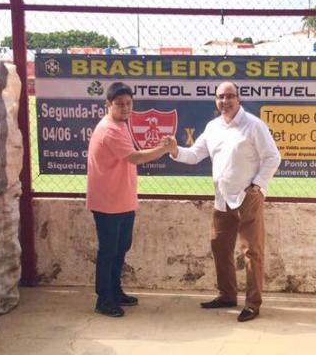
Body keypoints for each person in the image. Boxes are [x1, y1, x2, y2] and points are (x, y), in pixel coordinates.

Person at [168, 81, 281, 322]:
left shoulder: (253, 125)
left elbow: (273, 157)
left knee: (252, 252)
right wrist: (174, 149)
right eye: (220, 97)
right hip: (222, 200)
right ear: (215, 100)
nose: (225, 101)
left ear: (239, 99)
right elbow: (194, 155)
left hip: (247, 198)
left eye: (230, 96)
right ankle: (227, 295)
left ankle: (252, 304)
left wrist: (257, 186)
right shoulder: (213, 127)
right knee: (220, 247)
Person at [87, 81, 175, 317]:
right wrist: (163, 149)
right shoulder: (110, 129)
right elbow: (134, 158)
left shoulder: (120, 124)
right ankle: (103, 299)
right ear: (108, 104)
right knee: (109, 250)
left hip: (122, 200)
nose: (125, 108)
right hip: (108, 202)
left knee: (120, 247)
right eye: (119, 104)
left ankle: (115, 291)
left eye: (128, 104)